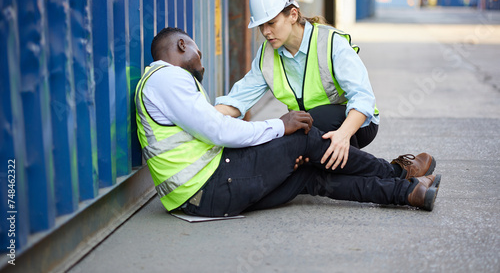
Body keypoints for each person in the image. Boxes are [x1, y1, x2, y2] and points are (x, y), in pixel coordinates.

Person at [135, 27, 441, 217]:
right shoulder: (168, 77)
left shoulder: (162, 83)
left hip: (199, 198)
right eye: (196, 49)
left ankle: (408, 193)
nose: (200, 57)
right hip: (208, 187)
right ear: (179, 47)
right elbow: (219, 130)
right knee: (303, 139)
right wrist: (280, 126)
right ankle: (398, 172)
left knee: (309, 176)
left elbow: (213, 125)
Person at [215, 0, 379, 170]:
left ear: (293, 15)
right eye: (261, 26)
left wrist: (343, 135)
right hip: (309, 124)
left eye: (271, 23)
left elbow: (363, 98)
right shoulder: (267, 56)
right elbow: (238, 100)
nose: (266, 32)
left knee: (311, 121)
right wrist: (202, 118)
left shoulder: (330, 43)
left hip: (355, 123)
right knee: (284, 141)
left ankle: (385, 172)